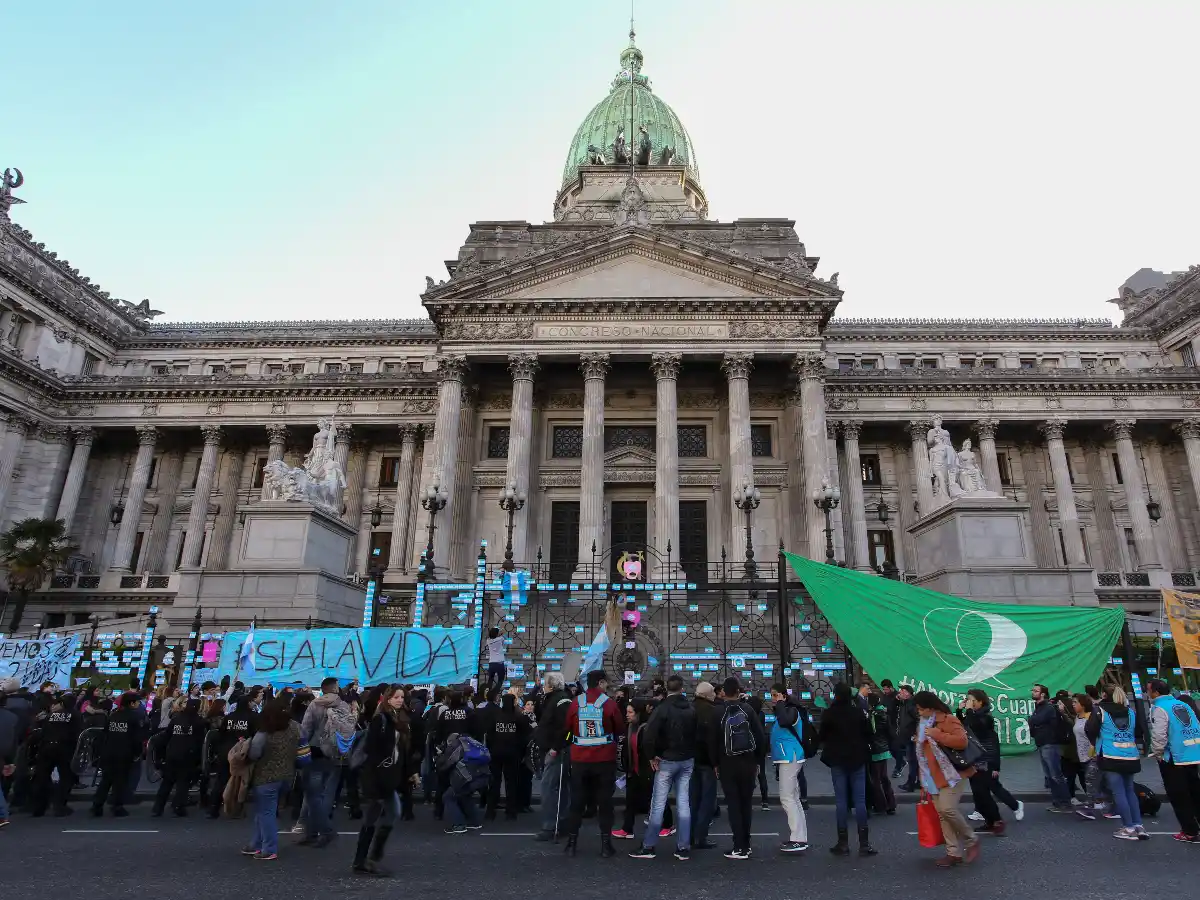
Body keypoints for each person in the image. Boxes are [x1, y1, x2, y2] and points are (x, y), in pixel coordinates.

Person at [629, 674, 696, 861]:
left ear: (667, 689)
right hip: (687, 759)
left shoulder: (663, 708)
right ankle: (683, 846)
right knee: (683, 803)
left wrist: (651, 755)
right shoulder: (691, 708)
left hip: (666, 759)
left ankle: (649, 846)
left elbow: (649, 733)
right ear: (682, 688)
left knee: (657, 803)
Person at [352, 685, 414, 876]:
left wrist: (410, 772)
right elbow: (372, 751)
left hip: (388, 778)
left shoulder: (396, 718)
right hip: (378, 779)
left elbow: (400, 752)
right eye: (396, 697)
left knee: (388, 814)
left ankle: (367, 859)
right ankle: (366, 860)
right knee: (377, 817)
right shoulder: (381, 719)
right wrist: (375, 783)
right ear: (387, 698)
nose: (400, 700)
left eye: (402, 697)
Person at [562, 670, 625, 858]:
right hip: (604, 759)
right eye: (606, 683)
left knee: (577, 801)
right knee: (605, 803)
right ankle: (606, 845)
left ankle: (571, 843)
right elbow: (619, 729)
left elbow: (567, 729)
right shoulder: (609, 704)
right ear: (601, 683)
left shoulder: (576, 703)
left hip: (580, 760)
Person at [914, 690, 979, 867]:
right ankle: (953, 853)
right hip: (931, 776)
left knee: (947, 809)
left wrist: (937, 735)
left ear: (930, 707)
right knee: (943, 814)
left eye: (921, 709)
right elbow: (922, 752)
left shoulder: (948, 719)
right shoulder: (923, 723)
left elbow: (962, 741)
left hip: (952, 774)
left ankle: (971, 839)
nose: (918, 712)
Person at [711, 677, 766, 860]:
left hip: (727, 763)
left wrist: (715, 763)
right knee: (746, 804)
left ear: (724, 693)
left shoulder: (717, 712)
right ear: (738, 691)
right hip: (748, 762)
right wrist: (758, 761)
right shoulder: (748, 709)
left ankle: (738, 846)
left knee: (733, 805)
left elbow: (712, 741)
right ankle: (746, 844)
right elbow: (760, 736)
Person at [299, 676, 356, 847]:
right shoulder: (343, 705)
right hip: (336, 754)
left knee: (312, 795)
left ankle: (319, 832)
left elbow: (304, 730)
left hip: (315, 752)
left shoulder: (315, 704)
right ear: (335, 688)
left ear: (323, 689)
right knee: (326, 795)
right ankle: (316, 832)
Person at [819, 683, 875, 857]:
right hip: (857, 758)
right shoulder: (857, 712)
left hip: (837, 760)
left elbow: (822, 736)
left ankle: (842, 842)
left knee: (841, 801)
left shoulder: (829, 714)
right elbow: (869, 733)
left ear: (835, 695)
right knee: (860, 801)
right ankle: (864, 844)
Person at [241, 698, 300, 861]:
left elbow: (254, 754)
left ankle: (269, 848)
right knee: (265, 811)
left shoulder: (264, 731)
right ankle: (255, 844)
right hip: (287, 775)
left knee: (265, 812)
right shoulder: (295, 727)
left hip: (265, 777)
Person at [1086, 685, 1147, 841]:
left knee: (1118, 792)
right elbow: (1139, 731)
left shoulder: (1100, 711)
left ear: (1105, 695)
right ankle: (1138, 826)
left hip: (1110, 755)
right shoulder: (1131, 712)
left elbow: (1090, 729)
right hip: (1131, 755)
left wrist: (1097, 741)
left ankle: (1128, 828)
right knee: (1129, 791)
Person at [1147, 679, 1200, 843]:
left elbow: (1159, 735)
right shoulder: (1182, 705)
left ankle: (1190, 831)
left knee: (1179, 796)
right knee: (1196, 793)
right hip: (1193, 753)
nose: (1147, 693)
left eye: (1148, 690)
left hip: (1174, 757)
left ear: (1155, 692)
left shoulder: (1159, 708)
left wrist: (1157, 753)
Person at [614, 698, 674, 840]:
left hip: (648, 769)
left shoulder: (647, 727)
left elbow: (653, 747)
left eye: (630, 712)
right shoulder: (630, 727)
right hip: (634, 770)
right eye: (626, 712)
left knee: (657, 797)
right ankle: (627, 829)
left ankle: (668, 825)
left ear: (638, 713)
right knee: (630, 800)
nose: (627, 715)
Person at [958, 689, 1007, 835]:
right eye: (968, 699)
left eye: (972, 700)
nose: (969, 702)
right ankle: (989, 821)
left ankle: (996, 820)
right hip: (974, 758)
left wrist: (996, 766)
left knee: (983, 792)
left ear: (980, 702)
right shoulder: (973, 715)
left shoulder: (986, 717)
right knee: (977, 792)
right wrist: (960, 711)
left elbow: (976, 727)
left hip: (986, 760)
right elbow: (963, 726)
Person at [90, 691, 145, 817]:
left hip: (109, 752)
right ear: (131, 703)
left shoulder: (113, 716)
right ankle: (117, 807)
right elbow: (136, 739)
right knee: (120, 781)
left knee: (106, 780)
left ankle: (97, 806)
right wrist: (137, 753)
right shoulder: (134, 718)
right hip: (124, 753)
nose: (138, 704)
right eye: (137, 702)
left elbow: (105, 734)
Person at [770, 684, 809, 853]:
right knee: (793, 797)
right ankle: (800, 837)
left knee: (787, 797)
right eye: (771, 695)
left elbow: (785, 722)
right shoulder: (786, 710)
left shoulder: (791, 710)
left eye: (776, 695)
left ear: (784, 696)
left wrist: (779, 704)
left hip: (790, 756)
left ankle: (797, 838)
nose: (773, 698)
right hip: (788, 756)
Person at [210, 686, 261, 818]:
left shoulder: (229, 717)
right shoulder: (254, 717)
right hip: (243, 754)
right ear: (248, 703)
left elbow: (221, 734)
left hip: (226, 752)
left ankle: (213, 809)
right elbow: (256, 736)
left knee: (221, 780)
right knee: (242, 783)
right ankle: (237, 809)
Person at [533, 671, 572, 841]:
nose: (543, 685)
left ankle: (550, 826)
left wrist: (556, 747)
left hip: (556, 751)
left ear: (551, 685)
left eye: (544, 683)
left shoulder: (562, 701)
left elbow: (567, 728)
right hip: (552, 749)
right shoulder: (553, 699)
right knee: (559, 788)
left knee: (548, 788)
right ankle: (560, 824)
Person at [152, 697, 206, 817]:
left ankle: (157, 808)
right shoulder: (199, 721)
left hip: (172, 754)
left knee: (167, 782)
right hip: (188, 756)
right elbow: (200, 741)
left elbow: (166, 736)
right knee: (183, 783)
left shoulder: (177, 719)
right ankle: (178, 807)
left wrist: (161, 755)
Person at [29, 693, 80, 817]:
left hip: (46, 748)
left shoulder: (51, 715)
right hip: (65, 749)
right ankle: (60, 806)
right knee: (66, 778)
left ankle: (39, 807)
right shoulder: (75, 715)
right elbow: (78, 734)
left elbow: (44, 731)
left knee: (42, 777)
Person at [482, 693, 530, 820]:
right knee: (511, 783)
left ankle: (490, 811)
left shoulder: (495, 716)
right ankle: (511, 811)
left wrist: (491, 749)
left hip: (496, 753)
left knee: (494, 782)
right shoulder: (519, 717)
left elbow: (489, 734)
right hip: (513, 753)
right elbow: (524, 736)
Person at [1029, 683, 1072, 812]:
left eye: (1036, 691)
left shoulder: (1047, 707)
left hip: (1050, 744)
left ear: (1042, 694)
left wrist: (1031, 720)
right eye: (1033, 690)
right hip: (1043, 743)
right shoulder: (1039, 707)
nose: (1033, 692)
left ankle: (1065, 803)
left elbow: (1036, 720)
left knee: (1055, 774)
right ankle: (1057, 802)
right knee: (1050, 775)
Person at [688, 681, 721, 850]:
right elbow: (713, 740)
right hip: (707, 762)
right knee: (707, 800)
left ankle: (690, 835)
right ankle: (700, 837)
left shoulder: (689, 709)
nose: (715, 695)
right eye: (713, 693)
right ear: (708, 695)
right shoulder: (713, 712)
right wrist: (716, 762)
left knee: (693, 799)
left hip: (690, 759)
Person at [866, 692, 896, 815]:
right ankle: (891, 803)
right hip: (884, 749)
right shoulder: (884, 713)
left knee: (876, 779)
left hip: (874, 750)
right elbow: (890, 732)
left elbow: (870, 733)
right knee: (884, 778)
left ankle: (880, 805)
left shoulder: (873, 715)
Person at [895, 685, 920, 791]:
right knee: (914, 761)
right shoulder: (904, 703)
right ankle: (919, 782)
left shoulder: (911, 704)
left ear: (909, 693)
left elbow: (918, 718)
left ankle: (910, 783)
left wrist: (916, 733)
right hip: (907, 736)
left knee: (913, 760)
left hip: (912, 737)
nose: (900, 692)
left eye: (903, 691)